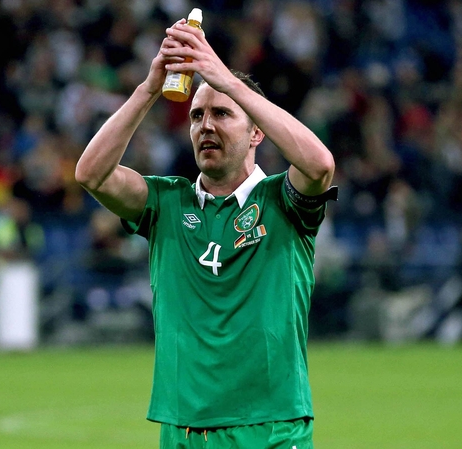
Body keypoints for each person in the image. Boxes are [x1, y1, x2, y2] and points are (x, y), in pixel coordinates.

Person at [75, 17, 336, 448]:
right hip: (183, 429)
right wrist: (149, 89)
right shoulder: (167, 203)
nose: (205, 126)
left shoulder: (281, 202)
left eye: (221, 113)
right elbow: (92, 174)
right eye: (197, 115)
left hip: (269, 425)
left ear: (257, 131)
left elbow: (320, 165)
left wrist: (226, 80)